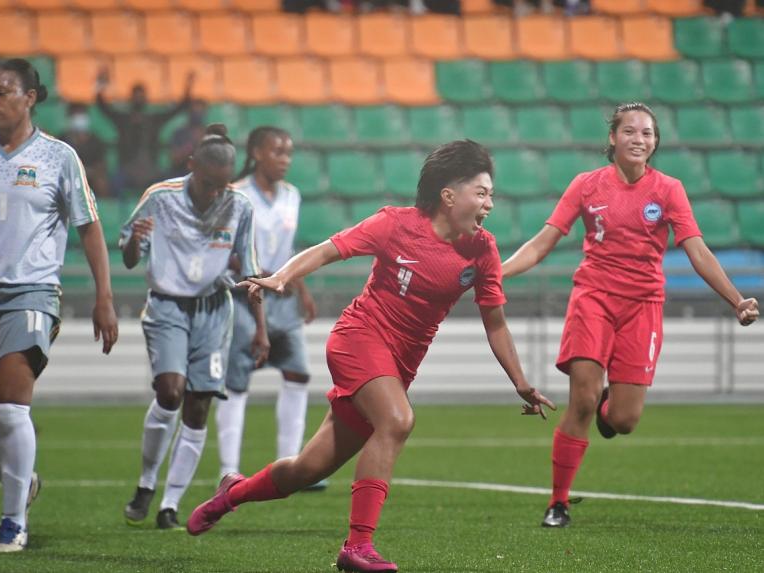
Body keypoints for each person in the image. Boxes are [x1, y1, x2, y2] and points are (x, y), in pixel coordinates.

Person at [188, 139, 556, 572]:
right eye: (482, 192)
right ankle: (357, 547)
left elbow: (495, 322)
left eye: (491, 194)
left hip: (398, 366)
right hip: (357, 339)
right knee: (398, 420)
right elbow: (328, 249)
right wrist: (282, 277)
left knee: (305, 470)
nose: (489, 203)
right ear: (449, 195)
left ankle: (232, 493)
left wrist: (520, 381)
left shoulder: (483, 251)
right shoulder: (394, 224)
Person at [500, 102, 760, 529]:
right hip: (593, 299)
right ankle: (558, 502)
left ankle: (609, 408)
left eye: (648, 133)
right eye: (631, 131)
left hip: (643, 307)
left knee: (624, 420)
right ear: (612, 138)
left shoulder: (668, 190)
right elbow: (543, 242)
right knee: (581, 398)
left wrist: (736, 299)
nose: (639, 139)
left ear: (655, 142)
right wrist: (499, 271)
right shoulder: (586, 185)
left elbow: (696, 249)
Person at [0, 58, 119, 552]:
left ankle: (13, 521)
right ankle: (24, 481)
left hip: (30, 295)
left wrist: (104, 299)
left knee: (9, 406)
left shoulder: (60, 157)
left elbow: (90, 228)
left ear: (30, 97)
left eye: (3, 92)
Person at [120, 123, 270, 530]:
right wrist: (136, 239)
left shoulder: (240, 206)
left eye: (223, 185)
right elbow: (131, 257)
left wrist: (261, 328)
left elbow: (251, 273)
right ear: (191, 166)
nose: (215, 193)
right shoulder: (159, 197)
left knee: (199, 406)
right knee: (170, 391)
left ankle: (170, 503)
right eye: (208, 184)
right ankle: (147, 482)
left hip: (214, 311)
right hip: (167, 306)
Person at [215, 126, 321, 487]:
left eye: (289, 153)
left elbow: (289, 250)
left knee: (298, 373)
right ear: (257, 153)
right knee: (236, 380)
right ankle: (228, 470)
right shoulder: (235, 195)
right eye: (278, 152)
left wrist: (302, 289)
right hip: (243, 297)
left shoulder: (292, 195)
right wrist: (252, 272)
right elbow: (223, 247)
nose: (285, 160)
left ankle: (291, 466)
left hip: (282, 296)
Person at [96, 70, 193, 196]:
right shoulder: (123, 119)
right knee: (114, 184)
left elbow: (179, 108)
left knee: (168, 187)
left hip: (151, 170)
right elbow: (103, 107)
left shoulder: (153, 120)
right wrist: (101, 84)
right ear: (131, 98)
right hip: (127, 169)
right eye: (136, 96)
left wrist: (188, 87)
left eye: (141, 96)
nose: (138, 99)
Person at [60, 103, 109, 198]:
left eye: (82, 115)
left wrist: (89, 172)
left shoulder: (96, 141)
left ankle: (102, 209)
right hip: (68, 176)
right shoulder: (62, 140)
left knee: (101, 182)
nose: (79, 119)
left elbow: (101, 166)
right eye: (76, 115)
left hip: (90, 176)